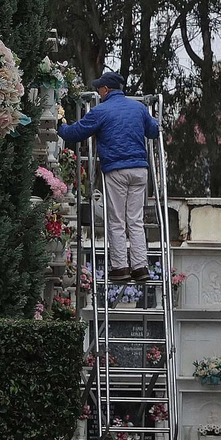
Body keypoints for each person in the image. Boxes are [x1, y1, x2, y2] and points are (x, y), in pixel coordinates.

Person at [58, 71, 160, 282]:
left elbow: (76, 133)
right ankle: (141, 267)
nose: (98, 92)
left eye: (99, 88)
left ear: (106, 89)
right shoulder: (139, 108)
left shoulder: (101, 110)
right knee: (135, 220)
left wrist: (61, 125)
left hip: (116, 169)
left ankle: (120, 267)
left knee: (116, 220)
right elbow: (153, 131)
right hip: (140, 169)